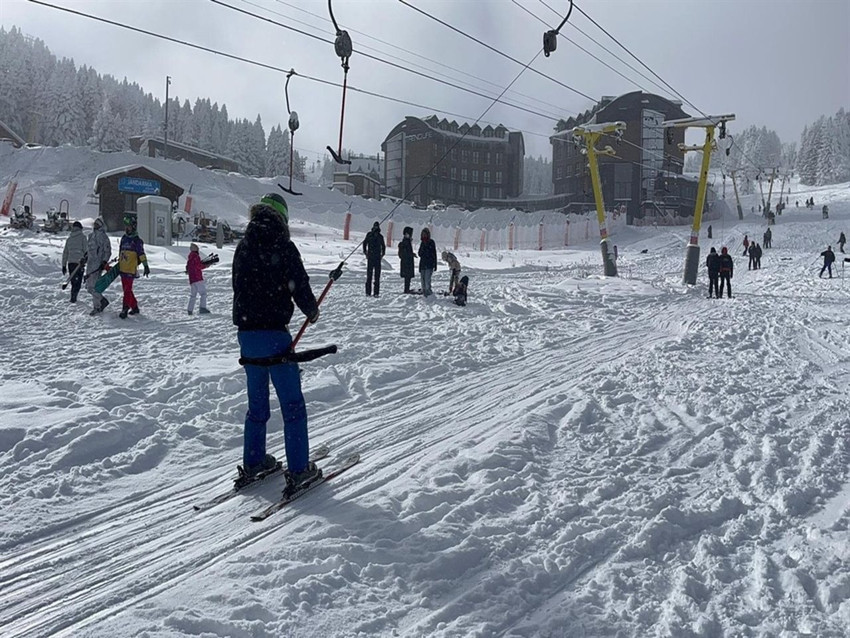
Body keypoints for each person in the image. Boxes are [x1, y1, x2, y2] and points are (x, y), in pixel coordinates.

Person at [232, 193, 321, 491]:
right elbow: (299, 284)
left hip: (247, 336)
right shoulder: (283, 246)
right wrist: (311, 310)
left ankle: (254, 461)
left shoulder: (243, 247)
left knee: (257, 406)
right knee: (292, 405)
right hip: (274, 336)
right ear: (282, 218)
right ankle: (299, 470)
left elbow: (239, 286)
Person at [117, 215, 149, 318]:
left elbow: (141, 254)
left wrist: (146, 266)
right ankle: (134, 307)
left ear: (134, 227)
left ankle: (125, 309)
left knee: (127, 290)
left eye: (129, 226)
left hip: (130, 269)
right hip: (123, 268)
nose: (127, 228)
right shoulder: (124, 238)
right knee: (127, 290)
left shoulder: (137, 240)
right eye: (126, 226)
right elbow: (120, 252)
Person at [85, 218, 112, 315]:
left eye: (97, 224)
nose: (95, 226)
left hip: (97, 264)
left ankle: (97, 306)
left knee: (94, 286)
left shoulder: (104, 237)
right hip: (90, 264)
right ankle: (101, 300)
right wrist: (85, 257)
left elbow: (107, 251)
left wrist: (104, 261)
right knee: (89, 287)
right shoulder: (91, 236)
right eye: (94, 224)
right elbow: (89, 250)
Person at [61, 221, 87, 303]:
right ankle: (74, 296)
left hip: (71, 263)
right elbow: (86, 250)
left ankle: (73, 295)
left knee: (73, 280)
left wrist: (64, 265)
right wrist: (86, 259)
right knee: (78, 281)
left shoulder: (69, 239)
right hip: (80, 262)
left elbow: (65, 252)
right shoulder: (83, 237)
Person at [186, 243, 211, 315]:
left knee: (193, 295)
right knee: (203, 293)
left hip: (192, 279)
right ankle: (202, 308)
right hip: (198, 277)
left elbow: (189, 267)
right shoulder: (196, 256)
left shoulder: (190, 257)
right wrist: (205, 266)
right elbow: (198, 266)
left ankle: (190, 310)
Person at [363, 221, 385, 297]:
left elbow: (383, 246)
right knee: (369, 276)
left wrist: (383, 254)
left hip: (377, 258)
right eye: (375, 226)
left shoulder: (380, 236)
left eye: (377, 226)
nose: (376, 228)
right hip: (370, 257)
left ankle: (376, 293)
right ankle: (368, 292)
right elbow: (364, 243)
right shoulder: (369, 235)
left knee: (377, 276)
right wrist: (365, 252)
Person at [418, 227, 437, 297]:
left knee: (427, 280)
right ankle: (424, 292)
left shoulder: (431, 242)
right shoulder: (422, 243)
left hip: (429, 264)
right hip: (423, 264)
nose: (423, 235)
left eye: (425, 234)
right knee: (422, 280)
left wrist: (435, 264)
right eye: (422, 234)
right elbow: (419, 253)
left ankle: (429, 293)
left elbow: (433, 254)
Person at [398, 226, 416, 293]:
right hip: (406, 262)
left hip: (407, 261)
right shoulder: (405, 242)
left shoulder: (407, 241)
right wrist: (411, 254)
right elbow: (406, 253)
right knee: (407, 276)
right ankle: (406, 289)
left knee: (408, 277)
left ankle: (407, 289)